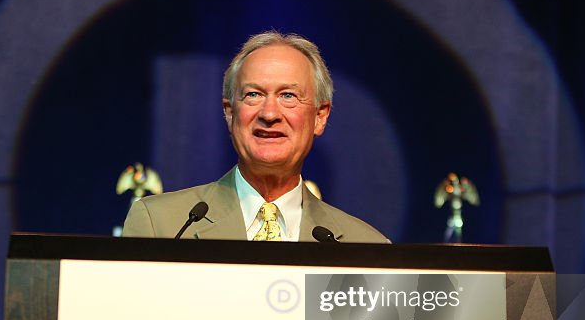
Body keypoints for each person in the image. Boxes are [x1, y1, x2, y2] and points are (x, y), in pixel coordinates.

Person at [122, 30, 390, 243]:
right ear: (229, 113)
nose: (269, 113)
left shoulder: (365, 247)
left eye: (288, 95)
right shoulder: (161, 226)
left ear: (320, 117)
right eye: (253, 94)